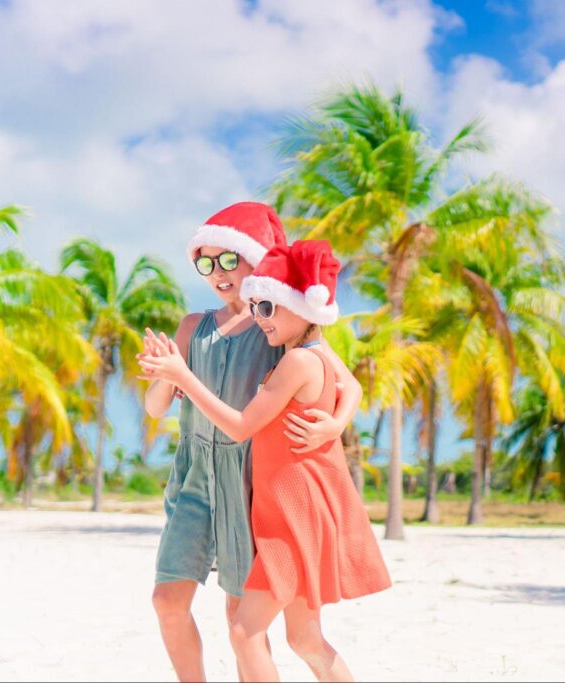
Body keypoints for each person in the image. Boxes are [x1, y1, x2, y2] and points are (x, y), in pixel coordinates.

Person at [139, 240, 391, 682]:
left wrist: (184, 377)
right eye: (256, 307)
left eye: (268, 307)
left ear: (302, 306)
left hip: (292, 518)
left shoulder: (296, 360)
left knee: (244, 629)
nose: (260, 318)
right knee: (304, 639)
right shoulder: (294, 353)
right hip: (284, 513)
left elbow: (240, 427)